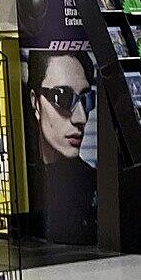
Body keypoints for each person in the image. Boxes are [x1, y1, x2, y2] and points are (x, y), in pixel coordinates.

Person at [28, 44, 99, 245]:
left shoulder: (95, 183)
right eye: (63, 97)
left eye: (87, 99)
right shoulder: (25, 179)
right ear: (36, 103)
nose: (81, 118)